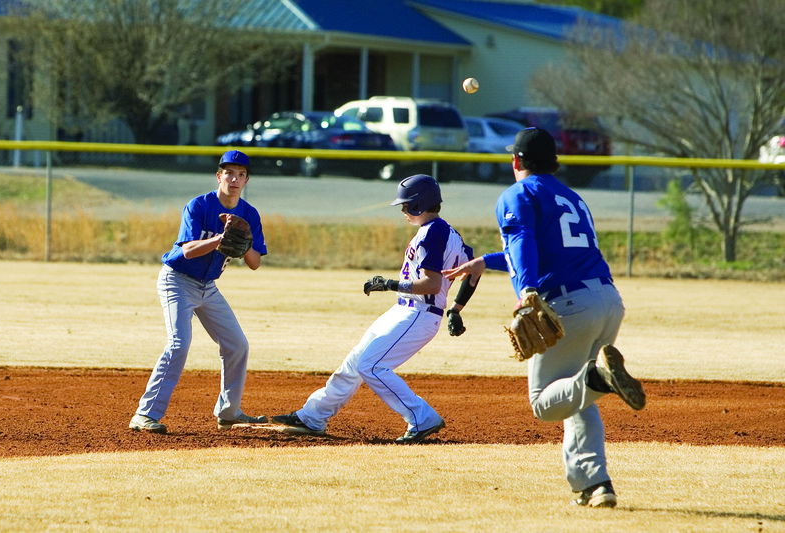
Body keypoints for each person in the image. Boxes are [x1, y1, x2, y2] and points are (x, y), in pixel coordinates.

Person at [443, 128, 646, 507]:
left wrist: (526, 291)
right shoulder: (571, 196)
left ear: (516, 161)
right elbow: (550, 248)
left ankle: (599, 376)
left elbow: (522, 241)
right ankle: (595, 484)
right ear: (551, 161)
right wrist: (487, 261)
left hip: (569, 304)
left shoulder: (517, 194)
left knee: (544, 402)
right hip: (607, 299)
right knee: (577, 398)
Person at [272, 174, 479, 443]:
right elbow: (475, 268)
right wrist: (456, 309)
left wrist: (390, 284)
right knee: (356, 362)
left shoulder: (432, 233)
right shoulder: (448, 232)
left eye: (406, 206)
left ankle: (422, 418)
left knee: (372, 366)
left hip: (419, 314)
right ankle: (313, 416)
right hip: (406, 311)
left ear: (419, 205)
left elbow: (431, 284)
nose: (403, 211)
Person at [129, 150, 268, 434]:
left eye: (241, 175)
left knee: (237, 345)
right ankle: (144, 415)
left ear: (246, 181)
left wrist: (244, 243)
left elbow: (255, 263)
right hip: (177, 281)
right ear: (219, 176)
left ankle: (229, 413)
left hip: (209, 287)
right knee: (179, 344)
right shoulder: (198, 206)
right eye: (229, 173)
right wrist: (221, 239)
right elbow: (188, 251)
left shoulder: (249, 214)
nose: (235, 179)